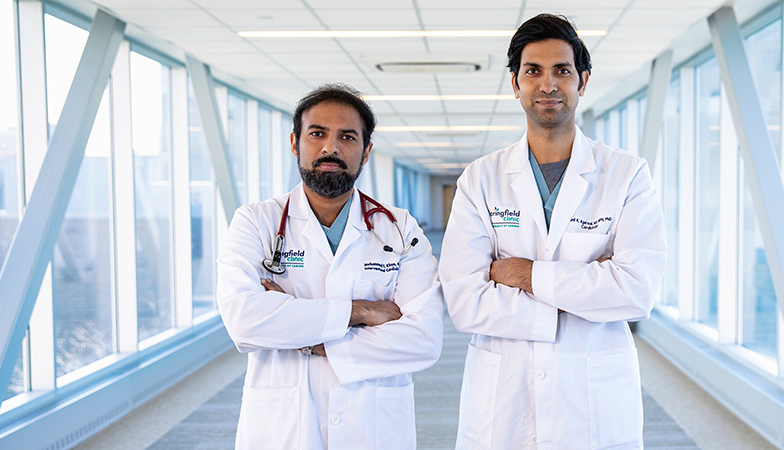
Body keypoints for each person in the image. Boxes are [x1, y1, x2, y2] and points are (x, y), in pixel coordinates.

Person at [438, 14, 666, 450]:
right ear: (515, 83)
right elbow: (464, 302)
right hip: (503, 398)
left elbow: (636, 291)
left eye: (561, 70)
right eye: (533, 71)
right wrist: (586, 293)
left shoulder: (627, 175)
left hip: (593, 397)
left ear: (582, 80)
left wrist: (522, 274)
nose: (547, 85)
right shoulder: (480, 179)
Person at [217, 83, 444, 450]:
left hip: (372, 426)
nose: (330, 148)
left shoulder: (400, 229)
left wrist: (305, 337)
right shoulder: (255, 222)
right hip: (284, 426)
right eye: (317, 133)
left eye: (347, 137)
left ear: (366, 151)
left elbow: (423, 341)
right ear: (295, 143)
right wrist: (363, 311)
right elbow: (244, 321)